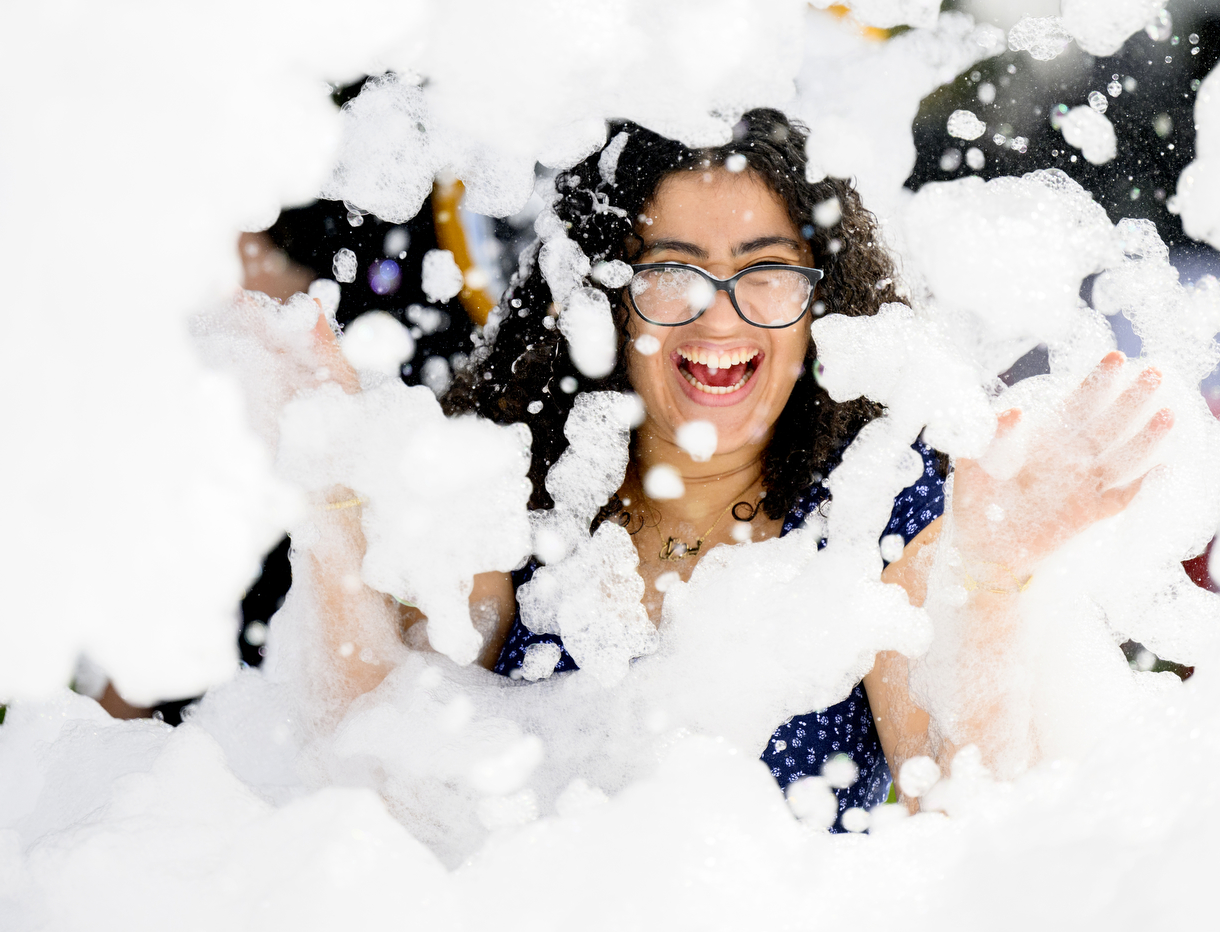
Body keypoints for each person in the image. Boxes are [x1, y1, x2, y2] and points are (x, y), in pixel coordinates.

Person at [306, 109, 1172, 829]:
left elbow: (963, 824)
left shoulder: (875, 505)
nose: (719, 320)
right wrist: (330, 490)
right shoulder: (515, 494)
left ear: (823, 301)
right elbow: (387, 794)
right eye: (675, 272)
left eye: (765, 272)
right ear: (609, 292)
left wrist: (990, 583)